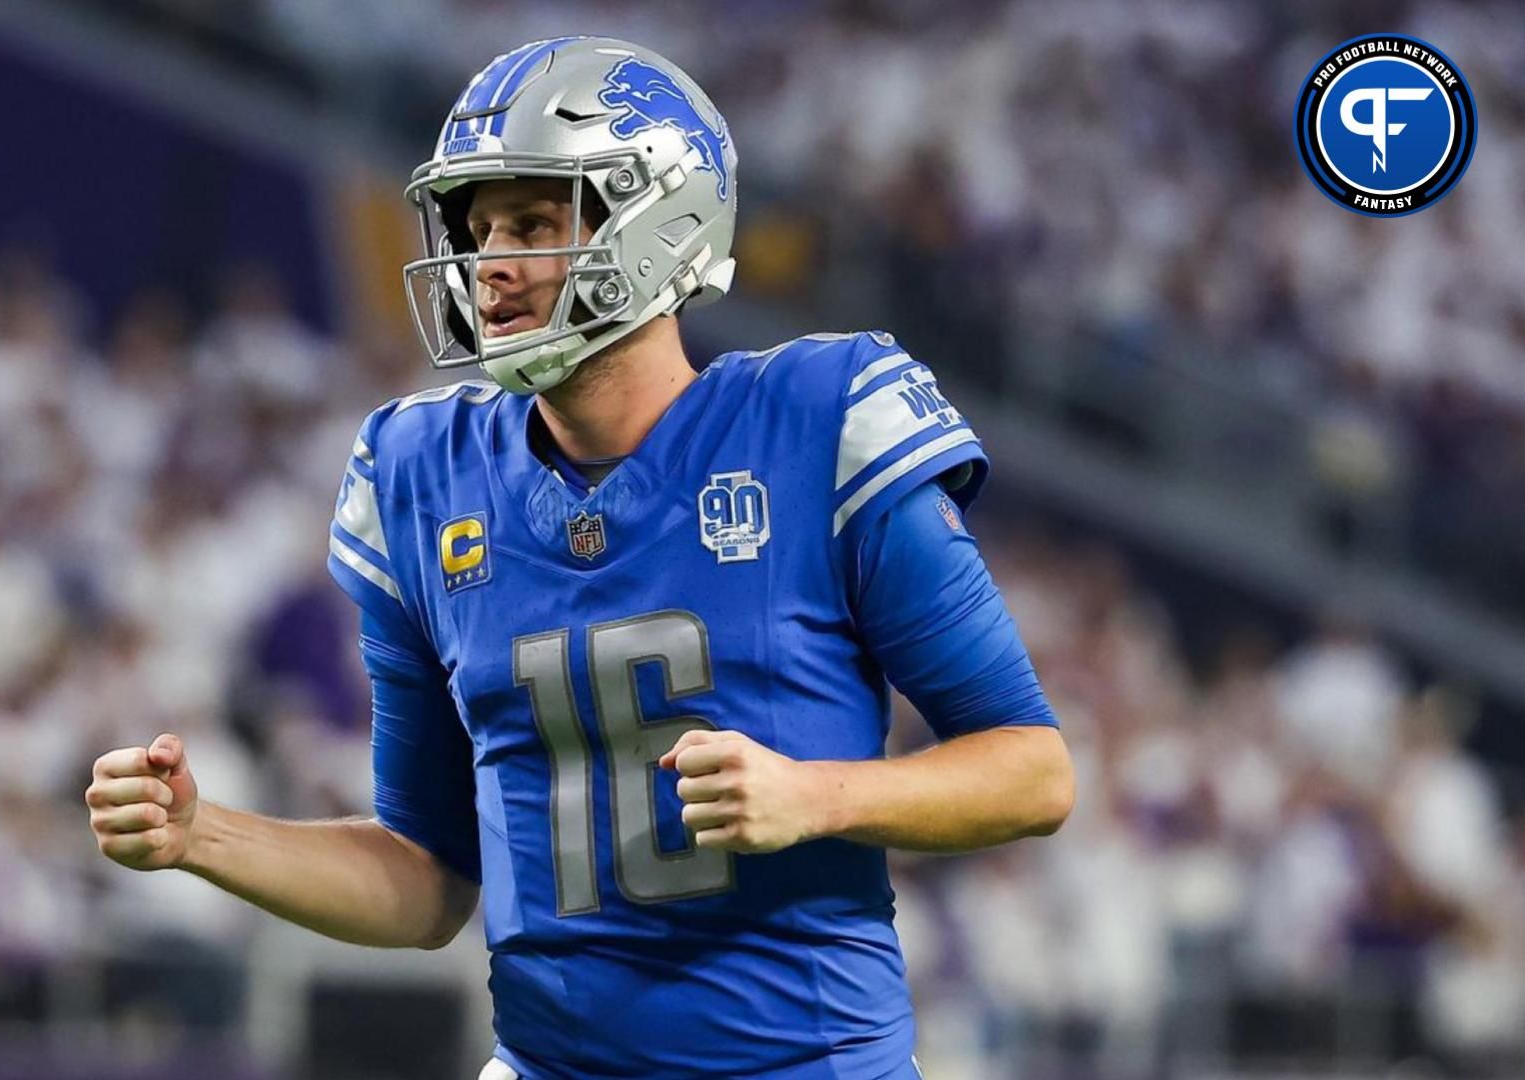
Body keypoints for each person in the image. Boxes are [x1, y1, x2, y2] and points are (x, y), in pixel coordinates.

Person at [86, 37, 1075, 1079]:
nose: (489, 265)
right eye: (476, 231)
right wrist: (205, 838)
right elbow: (430, 880)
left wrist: (819, 797)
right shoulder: (423, 474)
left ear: (658, 221)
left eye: (529, 221)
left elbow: (1033, 771)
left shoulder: (820, 424)